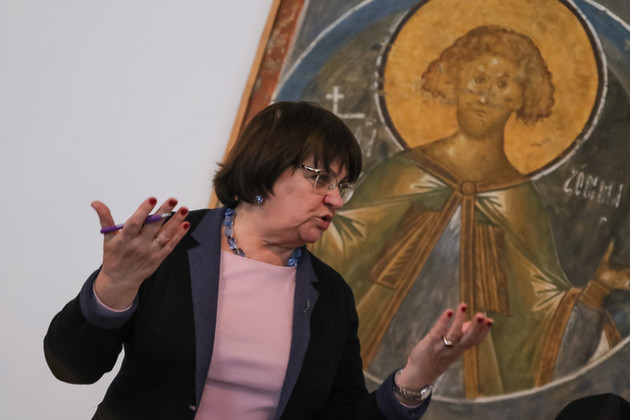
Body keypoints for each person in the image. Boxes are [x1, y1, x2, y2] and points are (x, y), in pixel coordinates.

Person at [44, 101, 492, 419]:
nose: (336, 199)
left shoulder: (331, 295)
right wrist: (113, 287)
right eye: (321, 178)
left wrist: (412, 381)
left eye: (343, 186)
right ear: (267, 166)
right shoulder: (170, 242)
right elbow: (71, 367)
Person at [311, 25, 630, 398]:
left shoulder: (518, 200)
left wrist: (596, 290)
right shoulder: (407, 173)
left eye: (503, 84)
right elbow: (344, 245)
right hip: (366, 362)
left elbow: (538, 307)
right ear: (454, 82)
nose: (485, 95)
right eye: (477, 79)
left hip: (465, 377)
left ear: (522, 97)